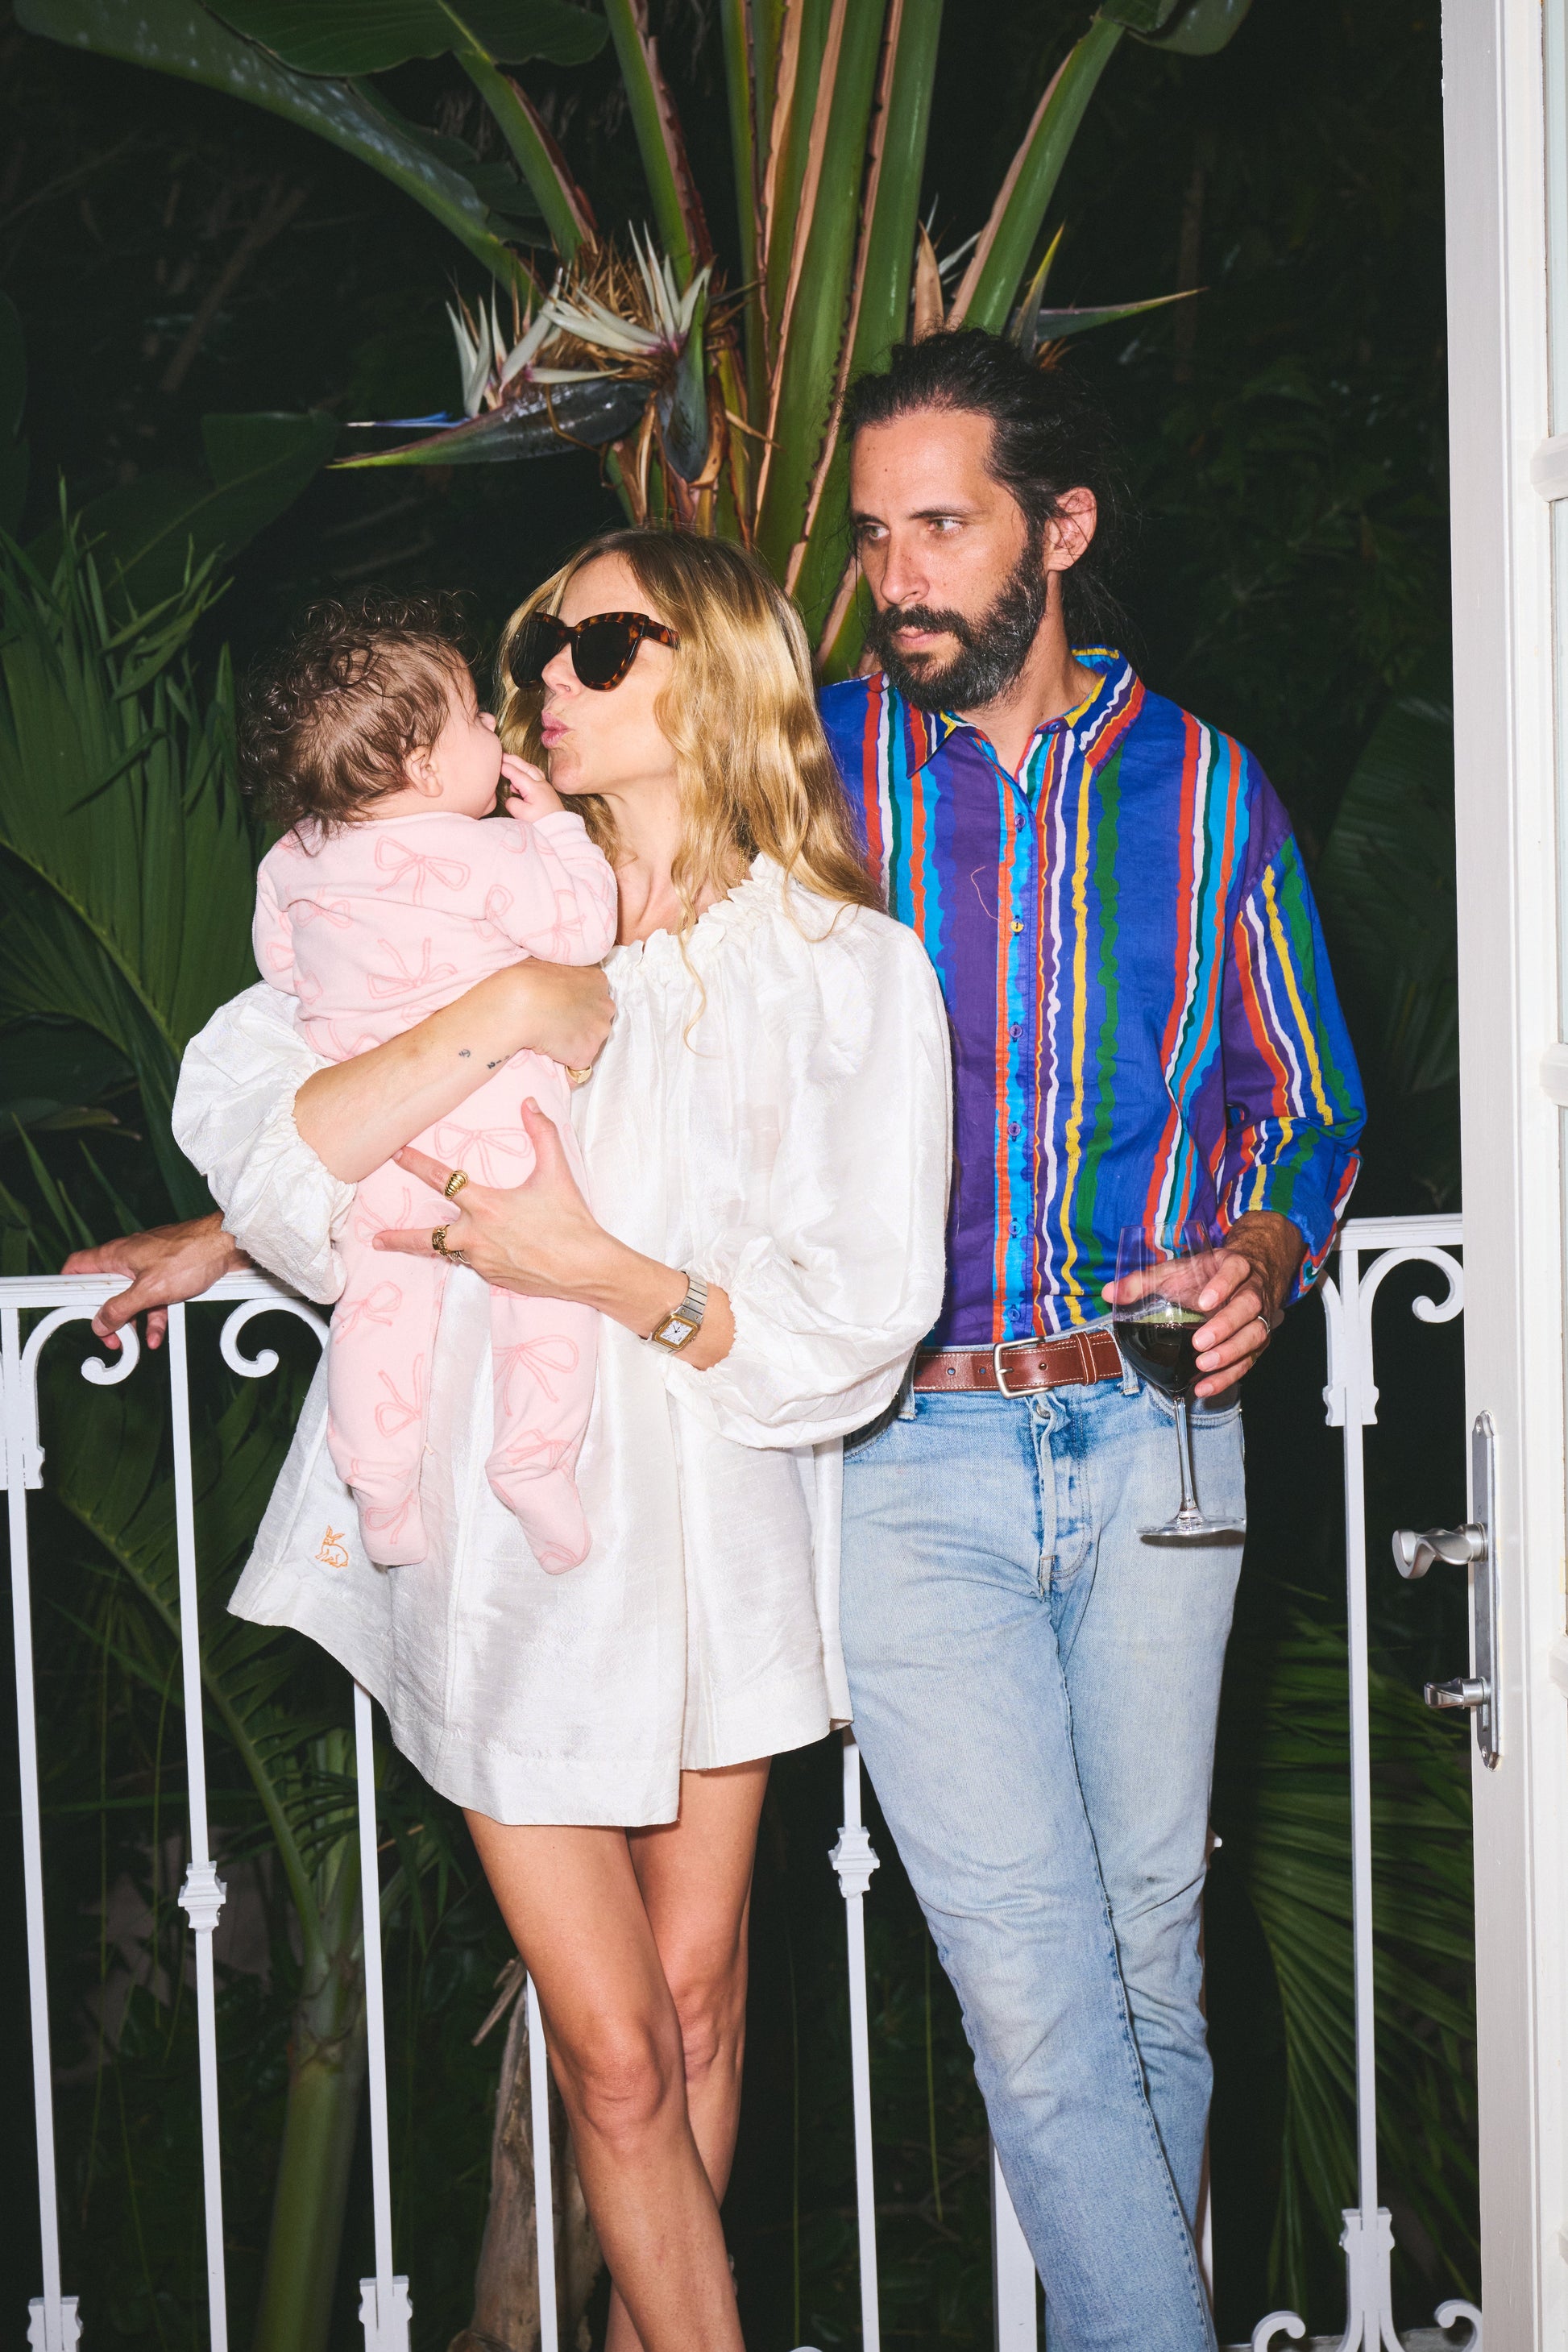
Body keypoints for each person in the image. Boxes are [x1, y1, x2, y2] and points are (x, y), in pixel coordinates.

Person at [73, 531, 952, 2352]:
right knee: (614, 2051)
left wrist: (596, 1270)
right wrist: (288, 1188)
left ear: (718, 671)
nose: (546, 667)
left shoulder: (841, 974)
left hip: (717, 1535)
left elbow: (857, 1317)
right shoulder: (427, 891)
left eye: (601, 642)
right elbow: (285, 1131)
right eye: (543, 639)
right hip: (502, 1556)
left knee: (696, 2011)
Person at [817, 329, 1365, 2352]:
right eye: (874, 535)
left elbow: (1310, 1102)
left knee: (1145, 1977)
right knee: (1040, 1999)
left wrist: (1271, 1248)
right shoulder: (810, 772)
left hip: (1157, 1437)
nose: (896, 581)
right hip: (904, 1451)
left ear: (1059, 529)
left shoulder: (1209, 790)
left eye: (940, 528)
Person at [245, 594, 619, 1571]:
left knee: (378, 1305)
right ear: (422, 766)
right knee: (543, 1293)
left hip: (382, 1134)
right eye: (474, 717)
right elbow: (580, 934)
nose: (496, 724)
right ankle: (532, 1462)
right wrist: (559, 836)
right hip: (501, 1121)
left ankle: (378, 1485)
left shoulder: (291, 858)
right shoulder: (490, 848)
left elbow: (281, 969)